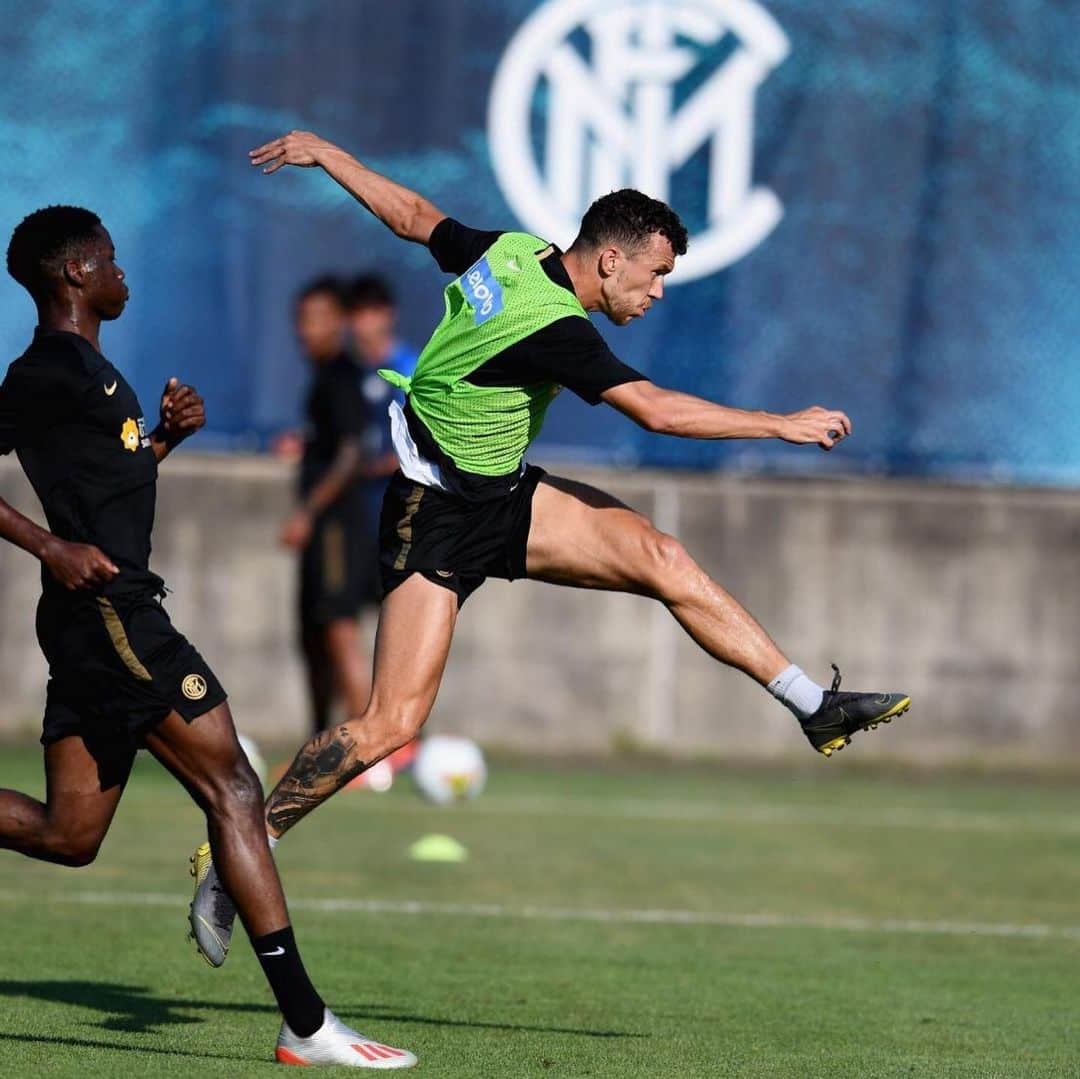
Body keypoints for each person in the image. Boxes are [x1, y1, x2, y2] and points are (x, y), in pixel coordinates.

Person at [189, 130, 911, 967]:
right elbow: (659, 413)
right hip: (437, 512)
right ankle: (240, 847)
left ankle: (810, 706)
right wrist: (778, 423)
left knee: (663, 558)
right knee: (389, 723)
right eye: (657, 272)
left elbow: (416, 217)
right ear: (610, 260)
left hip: (503, 493)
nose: (659, 291)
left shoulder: (515, 252)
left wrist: (331, 154)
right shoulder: (558, 331)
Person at [0, 206, 415, 1069]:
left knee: (68, 835)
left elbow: (103, 489)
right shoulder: (47, 370)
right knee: (232, 784)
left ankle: (287, 989)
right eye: (110, 261)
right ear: (75, 273)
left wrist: (162, 441)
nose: (123, 273)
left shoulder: (91, 371)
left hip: (97, 618)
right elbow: (72, 524)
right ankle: (306, 1023)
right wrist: (49, 545)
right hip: (116, 612)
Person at [284, 276, 377, 731]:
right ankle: (322, 739)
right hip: (327, 524)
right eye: (301, 320)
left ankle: (366, 745)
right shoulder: (326, 376)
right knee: (316, 633)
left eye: (318, 319)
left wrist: (308, 511)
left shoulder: (342, 374)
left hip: (338, 523)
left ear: (339, 322)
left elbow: (351, 451)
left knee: (340, 626)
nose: (306, 330)